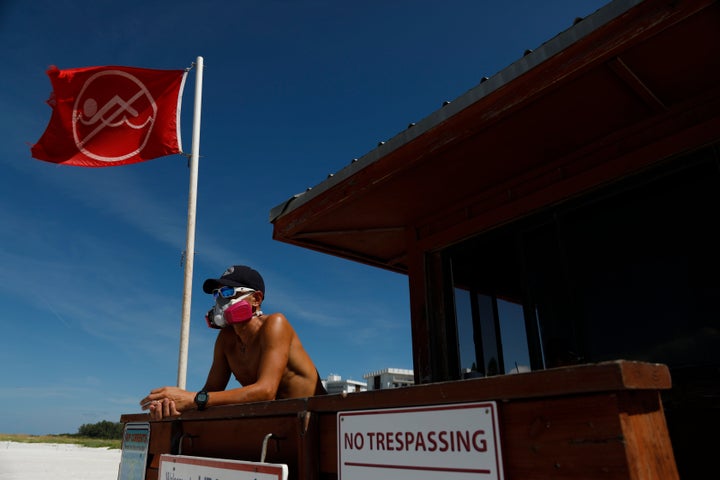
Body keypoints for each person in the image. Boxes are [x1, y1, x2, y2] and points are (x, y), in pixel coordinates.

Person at [141, 265, 326, 420]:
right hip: (276, 421)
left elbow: (265, 391)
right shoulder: (225, 339)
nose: (221, 301)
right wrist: (173, 404)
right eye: (217, 294)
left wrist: (193, 399)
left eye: (228, 292)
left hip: (319, 419)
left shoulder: (275, 324)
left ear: (256, 299)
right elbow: (210, 392)